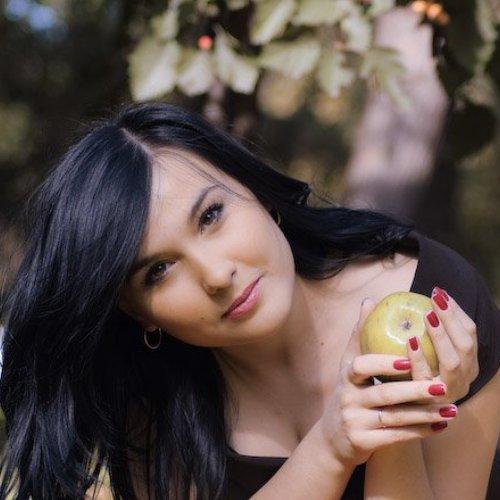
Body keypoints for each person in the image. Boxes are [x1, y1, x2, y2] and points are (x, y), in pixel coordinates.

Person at [0, 101, 498, 499]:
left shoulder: (435, 305)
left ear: (253, 188)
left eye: (211, 216)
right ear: (136, 311)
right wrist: (330, 447)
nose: (217, 275)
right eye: (158, 271)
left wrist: (396, 418)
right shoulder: (155, 408)